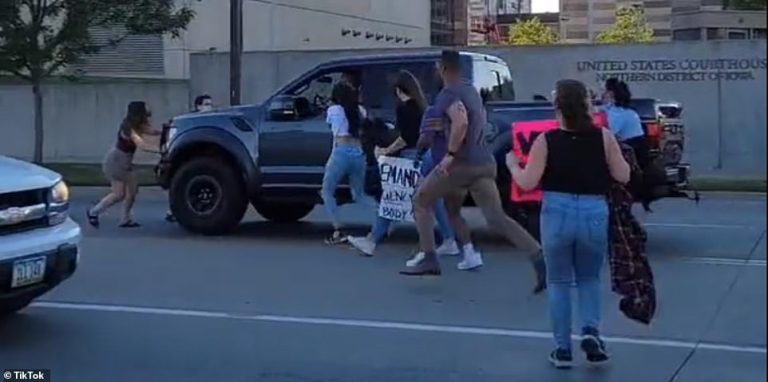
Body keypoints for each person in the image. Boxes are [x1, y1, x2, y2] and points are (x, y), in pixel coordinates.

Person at [506, 79, 630, 369]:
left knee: (558, 282)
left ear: (557, 108)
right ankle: (590, 330)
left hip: (557, 212)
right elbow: (623, 176)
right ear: (587, 104)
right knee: (589, 278)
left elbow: (527, 181)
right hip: (593, 210)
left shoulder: (546, 141)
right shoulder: (604, 137)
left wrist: (513, 164)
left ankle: (562, 349)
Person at [401, 50, 545, 292]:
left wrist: (450, 155)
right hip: (484, 162)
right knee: (496, 218)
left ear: (442, 68)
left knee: (420, 201)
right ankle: (538, 257)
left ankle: (429, 256)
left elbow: (461, 121)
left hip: (460, 164)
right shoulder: (471, 91)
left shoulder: (449, 93)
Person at [347, 71, 459, 257]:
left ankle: (372, 240)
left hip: (408, 157)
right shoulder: (421, 105)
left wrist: (385, 150)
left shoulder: (405, 107)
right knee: (431, 197)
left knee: (392, 196)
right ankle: (449, 239)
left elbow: (406, 137)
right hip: (424, 155)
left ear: (399, 90)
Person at [87, 101, 162, 228]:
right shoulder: (127, 127)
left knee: (132, 191)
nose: (149, 110)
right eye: (145, 109)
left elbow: (152, 131)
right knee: (119, 194)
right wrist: (161, 150)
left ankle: (125, 219)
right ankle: (93, 212)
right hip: (117, 161)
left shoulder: (139, 125)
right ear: (139, 112)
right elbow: (141, 144)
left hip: (126, 161)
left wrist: (167, 129)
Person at [322, 82, 373, 244]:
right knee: (359, 194)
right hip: (358, 153)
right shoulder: (360, 110)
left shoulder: (333, 110)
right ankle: (383, 216)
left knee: (327, 191)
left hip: (341, 152)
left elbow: (333, 129)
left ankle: (338, 230)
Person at [602, 78, 651, 217]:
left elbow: (608, 134)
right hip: (635, 153)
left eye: (604, 90)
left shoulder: (617, 114)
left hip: (630, 154)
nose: (602, 93)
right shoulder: (626, 111)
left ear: (610, 94)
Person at [164, 94, 214, 222]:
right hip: (190, 159)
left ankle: (174, 211)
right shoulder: (191, 121)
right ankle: (173, 211)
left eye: (210, 104)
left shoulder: (209, 120)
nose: (210, 107)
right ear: (198, 106)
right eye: (206, 104)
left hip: (203, 159)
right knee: (184, 186)